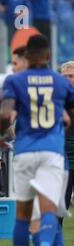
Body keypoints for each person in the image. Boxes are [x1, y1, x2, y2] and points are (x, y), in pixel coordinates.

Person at [0, 34, 74, 246]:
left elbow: (6, 114)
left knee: (23, 215)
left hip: (25, 150)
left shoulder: (15, 80)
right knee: (49, 210)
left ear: (27, 56)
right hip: (51, 151)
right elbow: (69, 115)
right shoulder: (60, 82)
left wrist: (5, 132)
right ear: (49, 56)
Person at [61, 61, 74, 208]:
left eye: (71, 76)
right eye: (65, 76)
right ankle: (56, 231)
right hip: (63, 159)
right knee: (61, 204)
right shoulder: (55, 99)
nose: (68, 79)